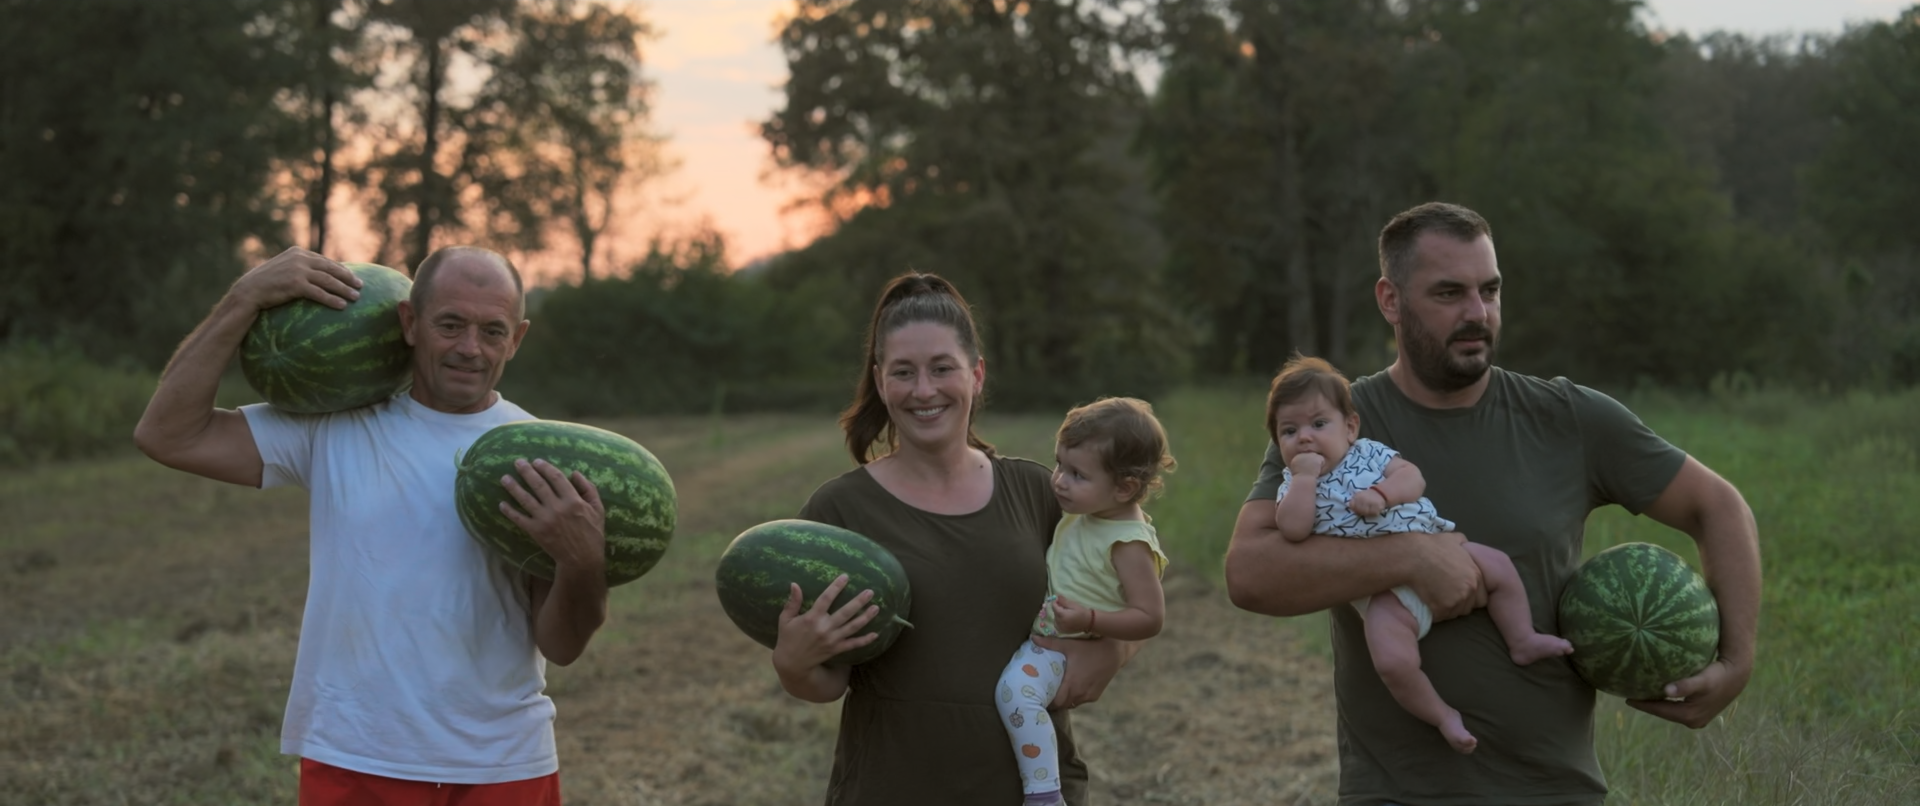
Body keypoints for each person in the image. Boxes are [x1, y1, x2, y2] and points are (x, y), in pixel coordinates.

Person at [1224, 202, 1760, 806]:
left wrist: (1736, 662)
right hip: (1397, 793)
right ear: (1391, 300)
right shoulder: (1334, 423)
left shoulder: (1567, 418)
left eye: (1490, 290)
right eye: (1449, 292)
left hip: (1553, 790)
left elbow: (1720, 507)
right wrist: (1411, 558)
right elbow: (1250, 574)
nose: (1477, 313)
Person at [133, 246, 609, 805]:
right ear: (409, 322)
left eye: (492, 331)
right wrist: (243, 299)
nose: (469, 348)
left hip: (504, 764)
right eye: (450, 324)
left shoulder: (538, 460)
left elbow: (562, 646)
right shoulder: (333, 426)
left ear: (517, 339)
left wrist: (583, 564)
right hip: (356, 754)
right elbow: (167, 434)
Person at [768, 272, 1136, 806]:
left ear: (976, 374)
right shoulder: (840, 510)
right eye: (904, 372)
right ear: (880, 382)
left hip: (1032, 794)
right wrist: (793, 663)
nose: (924, 390)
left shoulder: (1039, 493)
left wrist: (1114, 652)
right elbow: (829, 682)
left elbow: (1138, 592)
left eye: (942, 368)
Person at [1266, 354, 1571, 754]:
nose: (1305, 438)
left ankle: (1522, 638)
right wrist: (1305, 478)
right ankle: (1442, 716)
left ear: (1350, 428)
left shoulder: (1369, 454)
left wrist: (1382, 494)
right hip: (1382, 595)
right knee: (1393, 662)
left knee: (1498, 565)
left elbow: (1413, 478)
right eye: (1289, 431)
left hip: (1437, 545)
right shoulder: (1292, 485)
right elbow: (1292, 529)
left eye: (1318, 424)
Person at [997, 397, 1173, 806]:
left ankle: (1043, 793)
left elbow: (1150, 617)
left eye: (1077, 474)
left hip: (1066, 647)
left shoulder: (1127, 542)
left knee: (1015, 694)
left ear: (1124, 487)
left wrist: (1091, 619)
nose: (1059, 480)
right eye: (1059, 464)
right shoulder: (1089, 512)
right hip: (1051, 638)